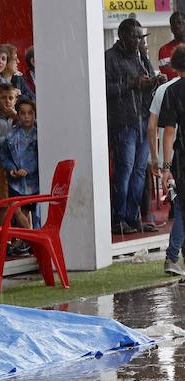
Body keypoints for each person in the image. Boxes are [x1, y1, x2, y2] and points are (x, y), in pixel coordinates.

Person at [106, 18, 164, 234]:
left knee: (140, 171)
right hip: (122, 122)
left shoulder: (141, 56)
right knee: (125, 171)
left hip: (143, 120)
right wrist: (131, 84)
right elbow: (104, 89)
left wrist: (156, 81)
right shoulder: (109, 58)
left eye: (141, 37)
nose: (138, 40)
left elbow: (148, 79)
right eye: (134, 36)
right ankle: (118, 218)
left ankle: (132, 217)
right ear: (121, 36)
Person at [158, 46, 185, 276]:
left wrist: (166, 167)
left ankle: (174, 257)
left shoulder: (172, 91)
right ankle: (173, 256)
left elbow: (168, 133)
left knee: (182, 209)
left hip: (181, 159)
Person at [1, 98, 39, 240]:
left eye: (30, 113)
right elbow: (4, 156)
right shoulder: (11, 135)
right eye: (23, 113)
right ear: (17, 114)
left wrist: (28, 169)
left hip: (34, 183)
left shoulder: (39, 135)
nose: (27, 116)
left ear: (35, 114)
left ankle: (31, 239)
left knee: (31, 212)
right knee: (15, 208)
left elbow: (40, 157)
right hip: (16, 182)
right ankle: (34, 237)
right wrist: (11, 168)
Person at [159, 12, 185, 81]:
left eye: (180, 23)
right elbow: (166, 77)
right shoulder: (164, 50)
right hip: (174, 90)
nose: (177, 26)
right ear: (171, 28)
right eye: (174, 24)